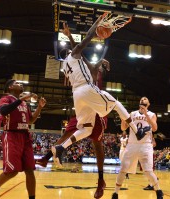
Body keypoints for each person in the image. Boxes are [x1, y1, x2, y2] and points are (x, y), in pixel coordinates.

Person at [53, 15, 150, 173]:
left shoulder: (66, 65)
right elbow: (86, 39)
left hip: (77, 95)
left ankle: (61, 148)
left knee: (87, 129)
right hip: (86, 89)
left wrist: (70, 36)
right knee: (116, 104)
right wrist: (96, 24)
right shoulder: (74, 54)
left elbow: (80, 52)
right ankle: (136, 130)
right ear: (70, 52)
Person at [35, 22, 110, 198]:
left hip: (96, 106)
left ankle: (101, 180)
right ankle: (47, 157)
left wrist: (100, 61)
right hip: (82, 104)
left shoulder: (88, 68)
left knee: (97, 143)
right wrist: (70, 38)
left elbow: (80, 54)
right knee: (68, 133)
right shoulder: (76, 64)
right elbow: (77, 52)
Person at [0, 79, 46, 199]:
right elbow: (3, 111)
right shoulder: (6, 98)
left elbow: (30, 120)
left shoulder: (24, 104)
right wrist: (22, 99)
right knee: (12, 170)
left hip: (25, 137)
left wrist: (39, 107)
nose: (20, 84)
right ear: (10, 88)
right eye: (17, 83)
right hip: (12, 135)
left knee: (30, 170)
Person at [111, 97, 163, 199]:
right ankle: (115, 193)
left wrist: (146, 114)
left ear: (148, 104)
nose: (143, 98)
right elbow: (123, 127)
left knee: (148, 171)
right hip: (132, 145)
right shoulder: (132, 114)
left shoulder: (152, 114)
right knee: (123, 169)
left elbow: (155, 128)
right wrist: (122, 119)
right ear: (139, 103)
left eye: (146, 99)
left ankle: (159, 190)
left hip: (145, 145)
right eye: (142, 98)